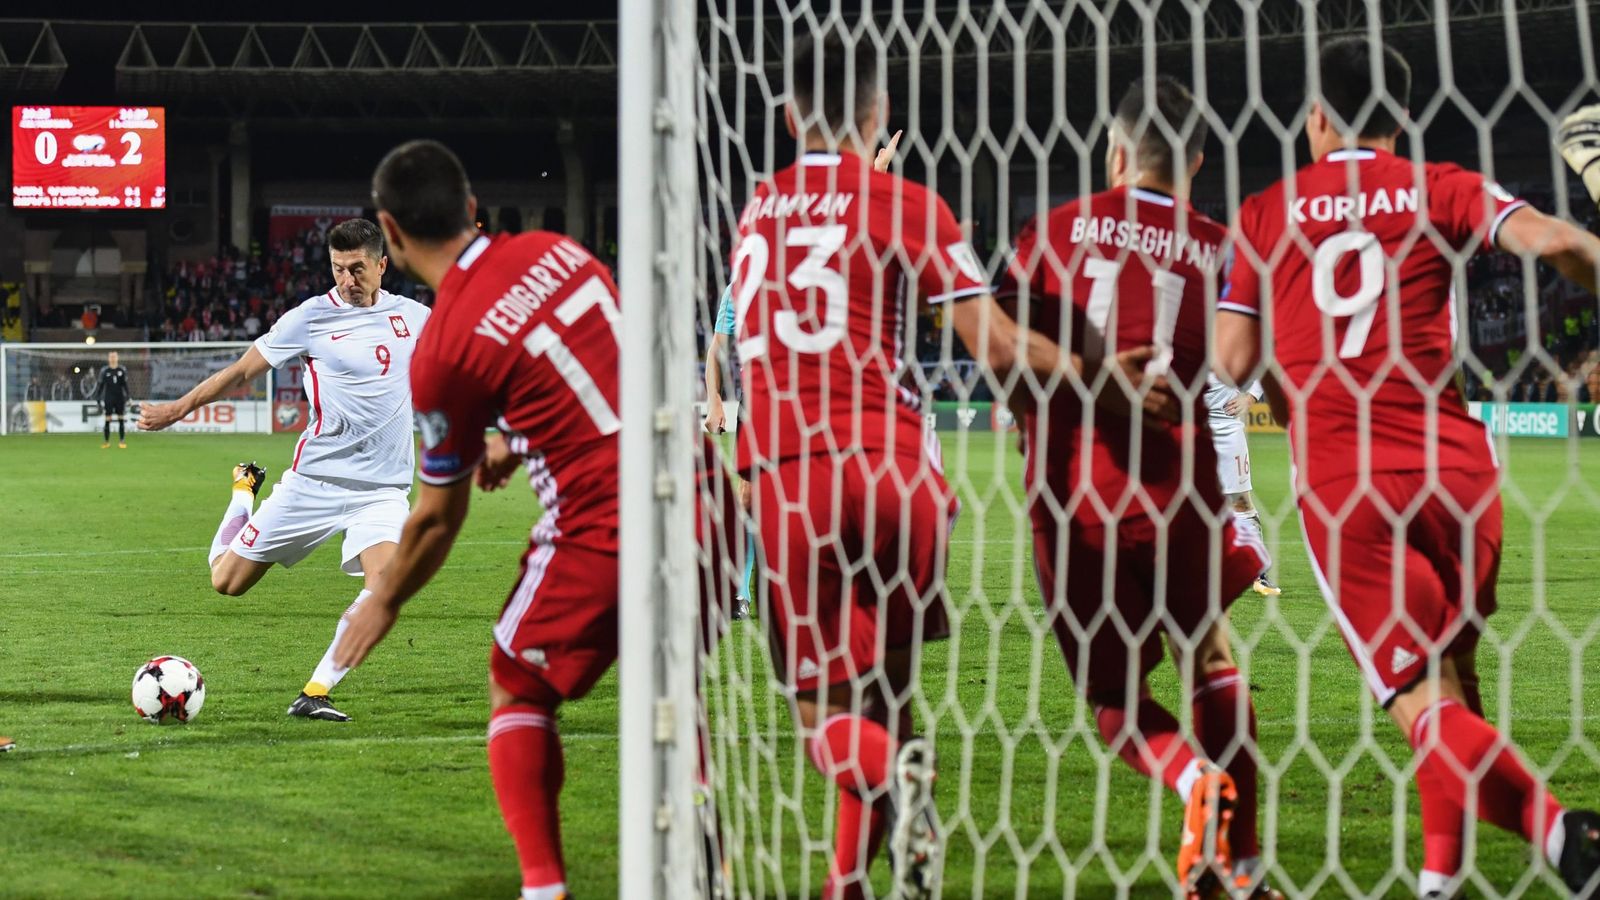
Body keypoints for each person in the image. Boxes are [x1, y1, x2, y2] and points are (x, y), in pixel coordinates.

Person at [731, 34, 1170, 899]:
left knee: (825, 717)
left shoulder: (757, 211)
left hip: (795, 475)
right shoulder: (909, 204)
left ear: (787, 117)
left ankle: (894, 780)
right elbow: (997, 346)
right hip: (900, 477)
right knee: (888, 695)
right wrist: (1099, 379)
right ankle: (850, 881)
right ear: (881, 115)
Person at [1214, 37, 1600, 898]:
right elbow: (1554, 240)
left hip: (1350, 484)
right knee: (1457, 694)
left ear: (1316, 116)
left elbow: (1229, 361)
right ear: (1402, 119)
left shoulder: (1266, 213)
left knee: (1427, 713)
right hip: (1460, 474)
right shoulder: (1440, 185)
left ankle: (1565, 831)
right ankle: (1437, 883)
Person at [331, 139, 736, 900]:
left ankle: (544, 888)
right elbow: (604, 362)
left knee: (516, 683)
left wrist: (382, 600)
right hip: (707, 497)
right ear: (474, 206)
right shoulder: (558, 252)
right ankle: (699, 827)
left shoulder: (443, 346)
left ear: (388, 229)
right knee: (667, 674)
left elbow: (438, 518)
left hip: (606, 519)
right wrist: (518, 436)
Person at [1004, 75, 1278, 899]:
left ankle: (1192, 781)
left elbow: (1009, 364)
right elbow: (1239, 372)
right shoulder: (1224, 245)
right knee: (1211, 654)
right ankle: (1240, 863)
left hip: (1074, 493)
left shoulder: (1050, 233)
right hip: (1181, 488)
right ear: (1196, 159)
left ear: (1113, 152)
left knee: (1117, 703)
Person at [139, 219, 430, 723]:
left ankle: (315, 692)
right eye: (338, 269)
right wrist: (177, 409)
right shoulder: (310, 318)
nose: (347, 279)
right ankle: (242, 493)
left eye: (357, 268)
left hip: (382, 489)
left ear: (382, 265)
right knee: (226, 582)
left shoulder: (416, 317)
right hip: (315, 483)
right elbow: (239, 372)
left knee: (385, 587)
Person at [703, 132, 908, 620]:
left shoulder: (807, 256)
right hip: (764, 399)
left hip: (823, 393)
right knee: (750, 495)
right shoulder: (742, 282)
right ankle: (741, 590)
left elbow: (846, 223)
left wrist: (875, 175)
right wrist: (713, 399)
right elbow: (717, 348)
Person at [1203, 373, 1281, 596]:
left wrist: (1252, 396)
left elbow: (1264, 357)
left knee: (1241, 503)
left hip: (1226, 425)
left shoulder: (1226, 338)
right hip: (1186, 424)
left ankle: (1257, 573)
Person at [94, 351, 131, 449]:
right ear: (108, 358)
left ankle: (122, 441)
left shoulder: (122, 370)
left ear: (117, 358)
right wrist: (98, 398)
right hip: (108, 398)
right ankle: (106, 442)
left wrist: (128, 397)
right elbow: (101, 386)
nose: (113, 358)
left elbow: (125, 385)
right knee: (107, 420)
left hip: (119, 398)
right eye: (111, 356)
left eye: (114, 356)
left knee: (121, 420)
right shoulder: (104, 371)